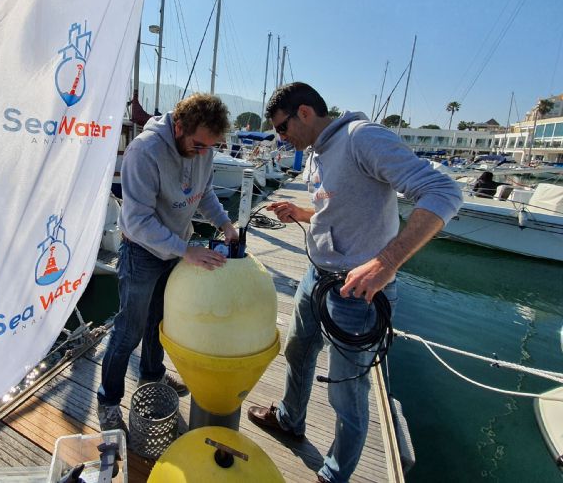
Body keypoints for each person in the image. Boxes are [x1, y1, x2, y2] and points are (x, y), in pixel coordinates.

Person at [246, 83, 462, 483]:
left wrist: (386, 262)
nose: (280, 137)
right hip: (317, 276)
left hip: (357, 294)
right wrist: (302, 212)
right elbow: (333, 208)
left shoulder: (363, 138)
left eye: (281, 127)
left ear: (305, 113)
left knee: (347, 393)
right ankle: (291, 420)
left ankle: (333, 475)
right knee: (297, 350)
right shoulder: (314, 153)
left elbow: (444, 191)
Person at [97, 93, 239, 434]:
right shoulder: (144, 152)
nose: (203, 151)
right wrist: (186, 250)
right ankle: (108, 401)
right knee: (129, 329)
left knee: (159, 322)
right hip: (142, 252)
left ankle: (152, 377)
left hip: (174, 251)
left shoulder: (203, 149)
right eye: (198, 144)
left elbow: (203, 192)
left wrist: (224, 223)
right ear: (178, 126)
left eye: (211, 146)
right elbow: (138, 221)